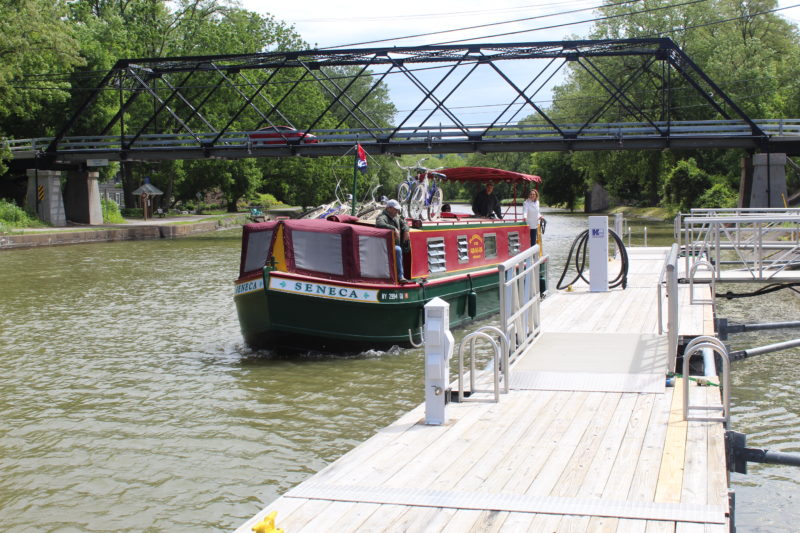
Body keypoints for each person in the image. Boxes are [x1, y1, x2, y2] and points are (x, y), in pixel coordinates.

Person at [376, 199, 411, 283]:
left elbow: (404, 222)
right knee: (398, 250)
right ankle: (400, 276)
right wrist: (394, 229)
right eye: (395, 209)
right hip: (385, 245)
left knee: (404, 248)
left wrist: (406, 230)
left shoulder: (395, 217)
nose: (397, 211)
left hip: (395, 243)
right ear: (389, 208)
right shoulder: (382, 217)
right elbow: (380, 224)